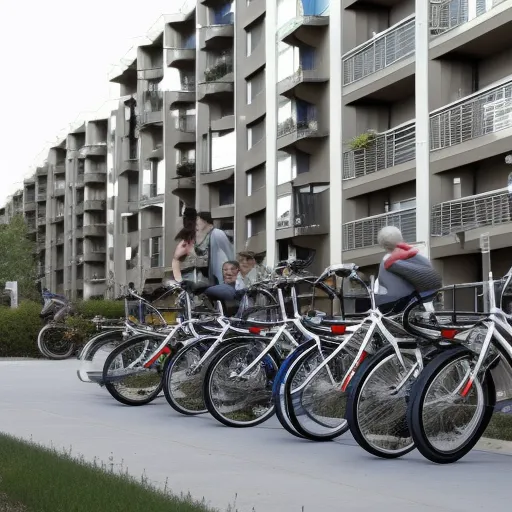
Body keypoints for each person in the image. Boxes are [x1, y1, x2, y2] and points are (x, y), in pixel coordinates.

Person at [375, 226, 442, 312]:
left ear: (383, 245)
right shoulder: (414, 254)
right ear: (401, 238)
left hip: (393, 303)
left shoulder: (388, 260)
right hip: (413, 299)